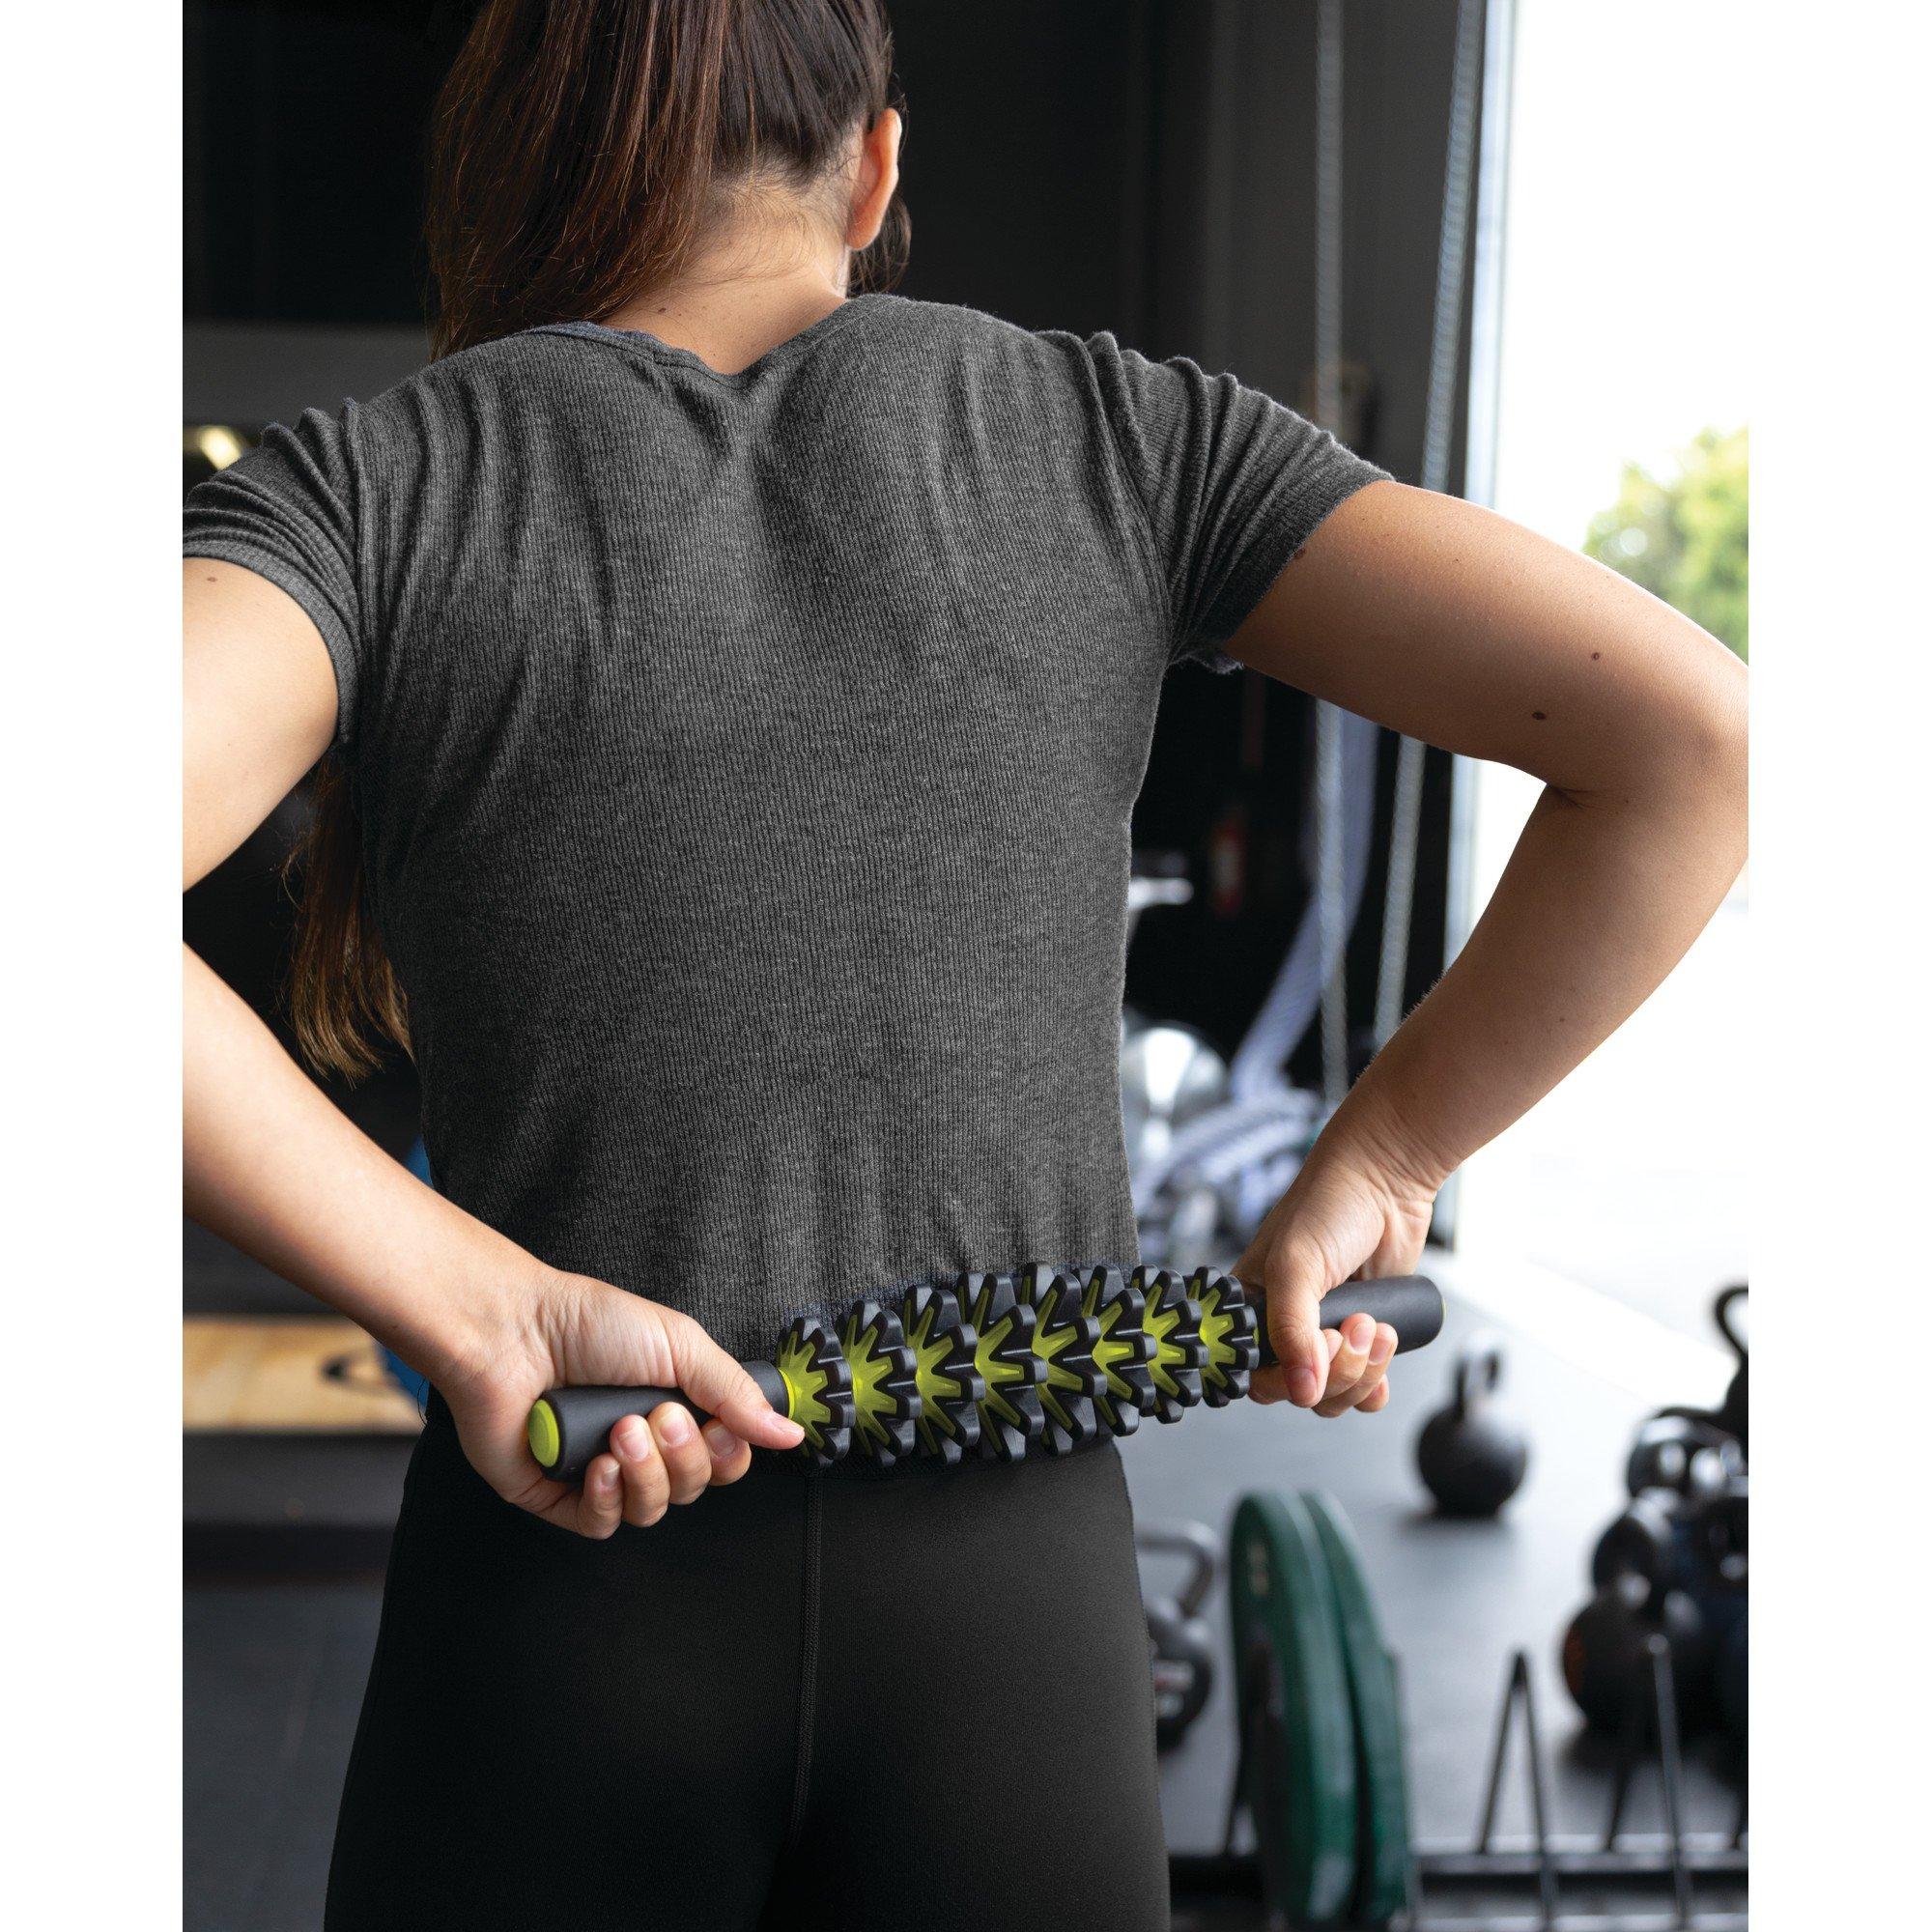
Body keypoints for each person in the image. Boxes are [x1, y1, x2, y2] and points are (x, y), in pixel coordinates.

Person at [182, 2, 1747, 1925]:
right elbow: (1696, 746)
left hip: (564, 1587)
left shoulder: (384, 483)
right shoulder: (1113, 432)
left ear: (512, 170)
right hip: (1013, 1641)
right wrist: (1392, 1152)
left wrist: (483, 1310)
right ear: (876, 168)